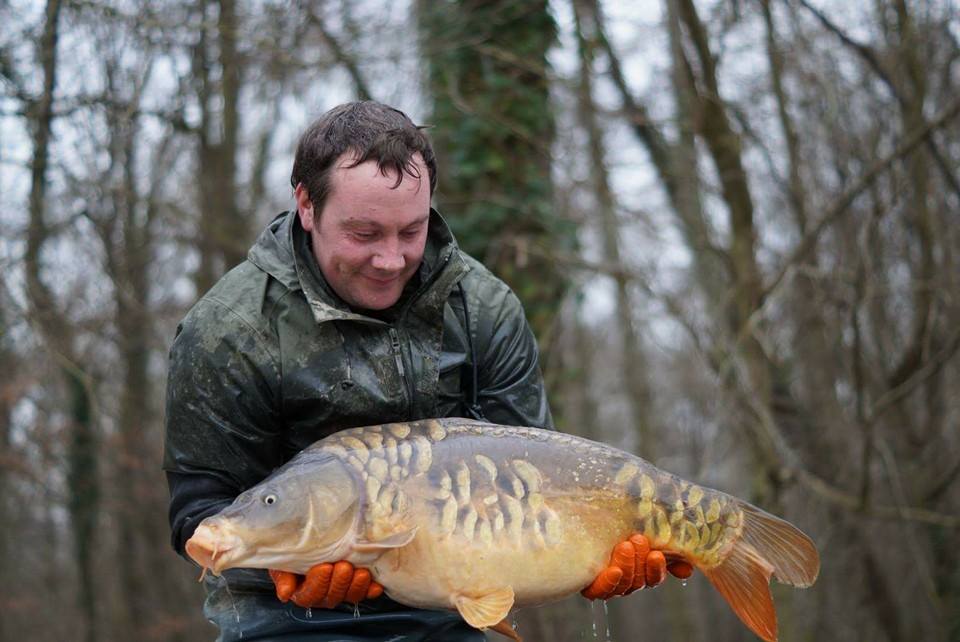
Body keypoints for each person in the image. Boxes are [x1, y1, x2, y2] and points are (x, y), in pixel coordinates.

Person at [163, 101, 689, 642]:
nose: (390, 259)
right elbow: (199, 513)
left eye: (411, 231)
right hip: (279, 615)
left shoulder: (482, 308)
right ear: (306, 205)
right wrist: (291, 572)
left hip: (446, 602)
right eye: (364, 234)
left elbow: (531, 474)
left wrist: (603, 547)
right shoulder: (228, 330)